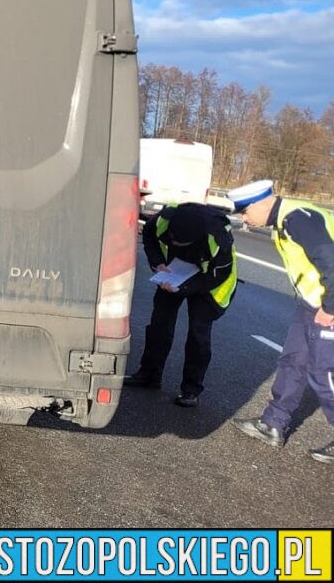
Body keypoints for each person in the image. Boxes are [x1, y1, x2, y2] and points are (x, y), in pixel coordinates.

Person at [230, 180, 334, 465]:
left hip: (327, 304)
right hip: (311, 302)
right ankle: (273, 423)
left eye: (244, 211)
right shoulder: (286, 219)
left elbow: (330, 260)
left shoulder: (297, 219)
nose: (243, 218)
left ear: (262, 203)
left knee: (325, 374)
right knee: (293, 361)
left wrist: (330, 307)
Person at [124, 202, 238, 407]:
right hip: (173, 273)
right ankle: (149, 374)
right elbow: (149, 238)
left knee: (198, 334)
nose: (174, 243)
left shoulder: (218, 235)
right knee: (160, 323)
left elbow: (219, 273)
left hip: (208, 281)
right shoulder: (163, 219)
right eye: (172, 240)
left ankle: (191, 390)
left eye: (180, 243)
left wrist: (185, 288)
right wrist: (158, 262)